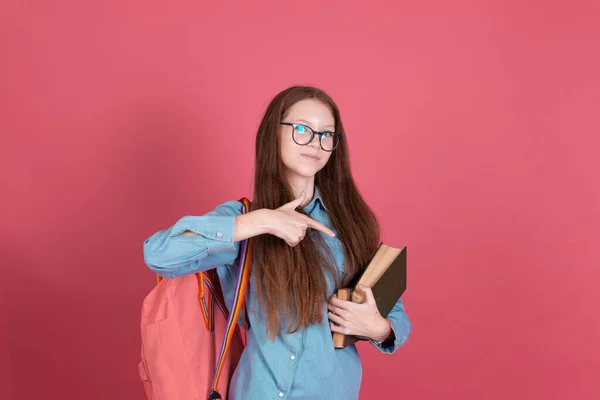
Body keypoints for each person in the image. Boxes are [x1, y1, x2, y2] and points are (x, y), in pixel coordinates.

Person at [143, 86, 411, 399]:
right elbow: (159, 254)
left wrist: (377, 328)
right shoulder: (243, 220)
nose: (315, 142)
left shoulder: (353, 226)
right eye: (302, 129)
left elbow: (397, 319)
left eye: (327, 134)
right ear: (275, 133)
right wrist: (262, 221)